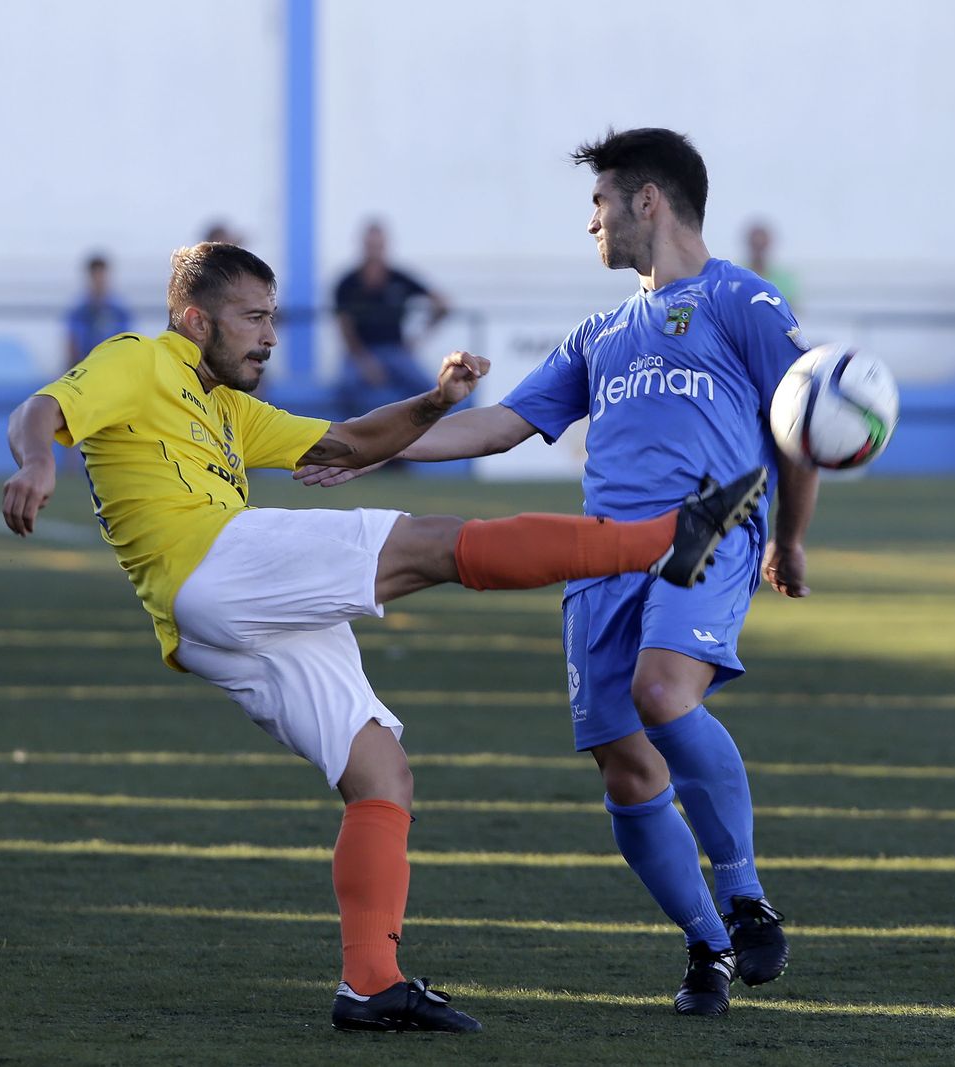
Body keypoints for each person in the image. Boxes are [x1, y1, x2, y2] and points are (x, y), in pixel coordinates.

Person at [0, 242, 764, 1035]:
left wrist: (433, 401)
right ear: (196, 320)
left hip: (215, 619)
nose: (269, 336)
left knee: (381, 774)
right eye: (253, 318)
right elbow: (42, 410)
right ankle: (664, 541)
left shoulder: (226, 406)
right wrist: (35, 464)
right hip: (213, 562)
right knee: (434, 543)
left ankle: (371, 982)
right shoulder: (139, 358)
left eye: (272, 317)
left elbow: (346, 444)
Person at [301, 128, 819, 1016]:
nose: (591, 222)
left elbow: (801, 424)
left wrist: (790, 535)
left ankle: (742, 889)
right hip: (599, 557)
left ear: (646, 201)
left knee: (662, 694)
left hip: (707, 526)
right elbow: (499, 425)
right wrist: (374, 446)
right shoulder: (601, 333)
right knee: (625, 767)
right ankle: (709, 948)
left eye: (599, 202)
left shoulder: (742, 300)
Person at [332, 220, 451, 417]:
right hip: (360, 352)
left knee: (430, 389)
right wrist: (364, 361)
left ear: (386, 246)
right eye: (371, 246)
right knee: (345, 388)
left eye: (378, 246)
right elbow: (345, 327)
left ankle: (422, 437)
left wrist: (420, 336)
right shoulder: (347, 283)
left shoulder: (399, 278)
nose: (374, 250)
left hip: (395, 351)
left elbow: (442, 304)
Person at [65, 253, 132, 367]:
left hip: (114, 367)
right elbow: (72, 345)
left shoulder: (119, 311)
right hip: (85, 368)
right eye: (95, 276)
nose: (99, 281)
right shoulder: (79, 312)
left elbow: (129, 342)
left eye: (102, 276)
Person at [742, 220, 800, 307]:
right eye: (755, 245)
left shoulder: (785, 280)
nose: (759, 250)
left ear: (769, 244)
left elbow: (793, 311)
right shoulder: (735, 276)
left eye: (762, 245)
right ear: (748, 244)